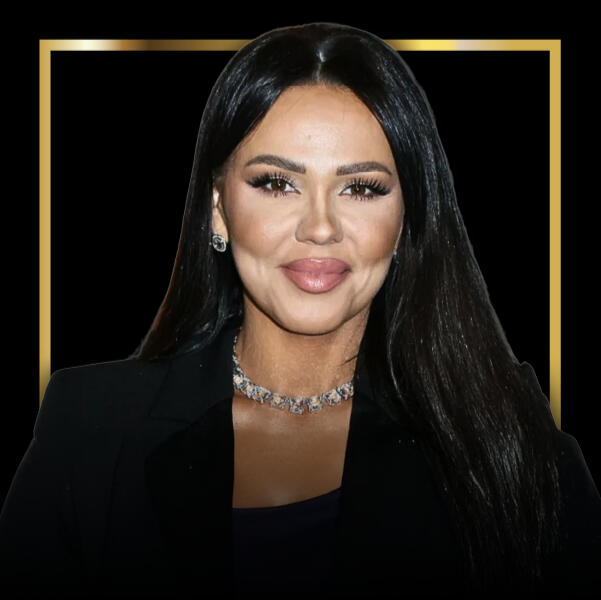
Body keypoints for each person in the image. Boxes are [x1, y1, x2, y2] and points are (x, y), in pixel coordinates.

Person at [1, 22, 600, 599]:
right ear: (217, 207)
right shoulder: (89, 429)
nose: (320, 227)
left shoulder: (514, 446)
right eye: (276, 183)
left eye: (360, 188)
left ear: (407, 220)